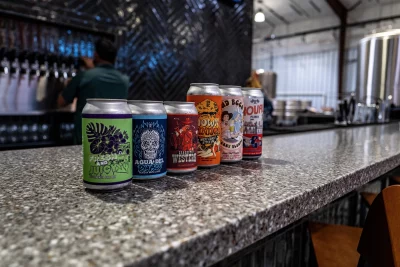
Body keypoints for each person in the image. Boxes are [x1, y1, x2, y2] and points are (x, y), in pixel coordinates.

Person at [58, 38, 129, 144]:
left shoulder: (84, 76)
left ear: (95, 55)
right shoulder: (124, 80)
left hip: (86, 140)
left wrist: (67, 84)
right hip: (113, 140)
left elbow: (61, 102)